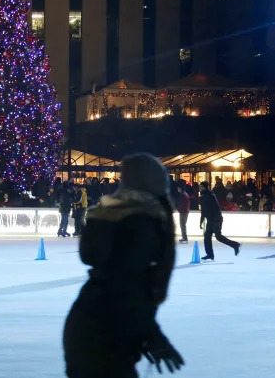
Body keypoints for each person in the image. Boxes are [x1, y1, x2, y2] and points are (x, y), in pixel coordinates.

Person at [63, 153, 184, 377]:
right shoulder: (139, 224)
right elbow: (126, 287)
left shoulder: (119, 217)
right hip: (105, 335)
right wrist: (152, 336)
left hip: (90, 328)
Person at [199, 181, 240, 261]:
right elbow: (203, 210)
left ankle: (235, 245)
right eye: (200, 187)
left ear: (205, 187)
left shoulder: (210, 195)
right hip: (211, 219)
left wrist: (213, 220)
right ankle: (210, 254)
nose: (200, 188)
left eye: (201, 187)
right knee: (207, 236)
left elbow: (213, 209)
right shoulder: (203, 196)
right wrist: (201, 220)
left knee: (218, 236)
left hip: (216, 219)